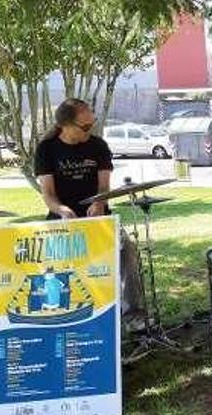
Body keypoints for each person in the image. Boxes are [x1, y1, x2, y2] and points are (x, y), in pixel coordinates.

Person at [34, 98, 145, 320]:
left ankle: (133, 316)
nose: (89, 130)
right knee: (54, 272)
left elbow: (103, 185)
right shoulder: (47, 149)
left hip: (99, 219)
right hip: (61, 221)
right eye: (85, 126)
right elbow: (48, 193)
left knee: (128, 252)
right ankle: (62, 314)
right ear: (65, 125)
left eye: (91, 124)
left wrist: (99, 201)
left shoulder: (98, 146)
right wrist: (62, 210)